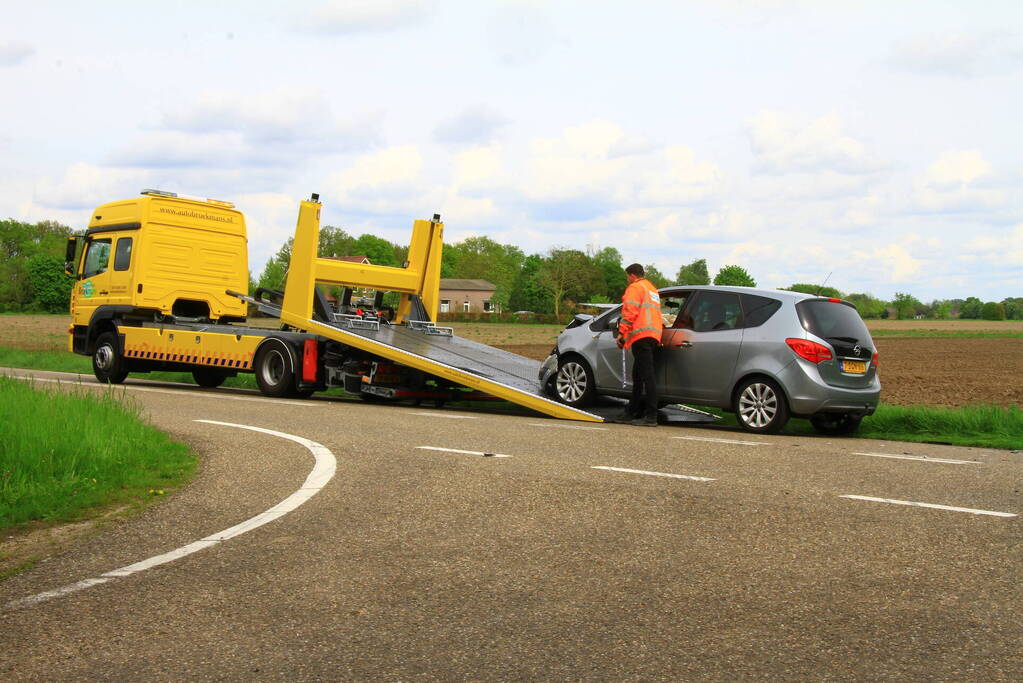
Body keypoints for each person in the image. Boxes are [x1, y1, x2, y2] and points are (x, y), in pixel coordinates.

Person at [615, 263, 663, 426]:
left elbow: (630, 312)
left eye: (627, 277)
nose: (628, 280)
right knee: (638, 376)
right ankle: (631, 411)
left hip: (641, 336)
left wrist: (622, 333)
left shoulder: (635, 288)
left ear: (632, 275)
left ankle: (651, 416)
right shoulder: (652, 289)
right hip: (654, 336)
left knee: (647, 376)